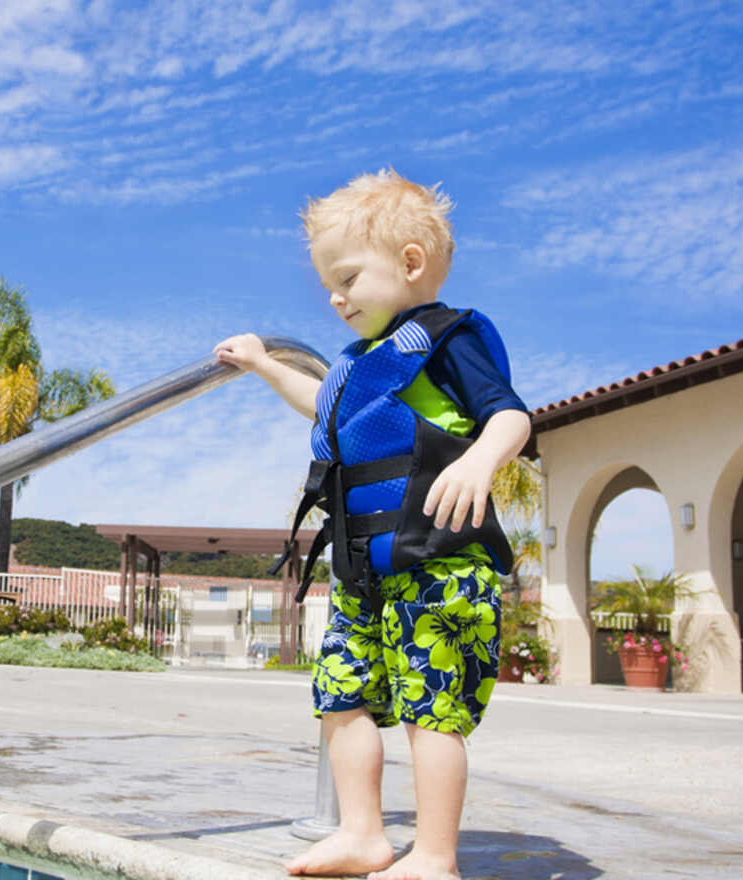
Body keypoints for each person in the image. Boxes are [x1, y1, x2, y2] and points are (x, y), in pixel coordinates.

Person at [213, 169, 531, 880]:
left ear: (411, 264)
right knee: (342, 694)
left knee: (432, 708)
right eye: (330, 281)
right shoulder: (358, 365)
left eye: (347, 277)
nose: (334, 296)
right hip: (363, 568)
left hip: (440, 561)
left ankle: (437, 857)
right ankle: (362, 833)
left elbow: (510, 414)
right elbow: (324, 405)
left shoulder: (451, 341)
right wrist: (265, 364)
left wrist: (480, 463)